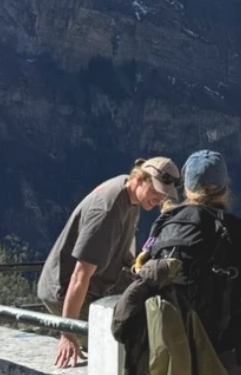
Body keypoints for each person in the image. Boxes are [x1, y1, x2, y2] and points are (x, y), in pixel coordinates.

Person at [38, 157, 182, 369]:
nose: (160, 199)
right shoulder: (107, 212)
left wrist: (136, 265)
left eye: (164, 194)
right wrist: (68, 331)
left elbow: (120, 247)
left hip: (94, 287)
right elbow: (80, 275)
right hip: (65, 293)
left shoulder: (131, 196)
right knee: (126, 341)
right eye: (157, 191)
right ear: (141, 179)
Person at [143, 150, 241, 375]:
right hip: (225, 349)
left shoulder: (163, 224)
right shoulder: (239, 230)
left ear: (187, 188)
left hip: (173, 347)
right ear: (225, 187)